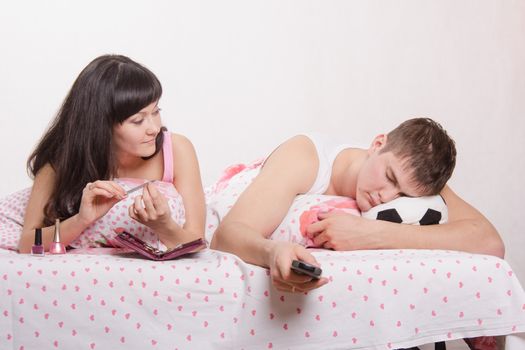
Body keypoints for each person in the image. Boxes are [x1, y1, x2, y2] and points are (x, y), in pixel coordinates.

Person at [211, 118, 504, 293]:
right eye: (389, 177)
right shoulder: (306, 158)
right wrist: (272, 252)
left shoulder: (416, 181)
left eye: (403, 196)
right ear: (378, 144)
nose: (387, 197)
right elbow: (226, 236)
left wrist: (376, 234)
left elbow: (490, 243)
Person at [18, 54, 205, 253]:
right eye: (138, 120)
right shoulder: (59, 162)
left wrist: (164, 226)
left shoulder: (177, 149)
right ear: (102, 125)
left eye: (155, 112)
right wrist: (82, 220)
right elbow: (27, 244)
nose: (154, 128)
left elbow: (198, 241)